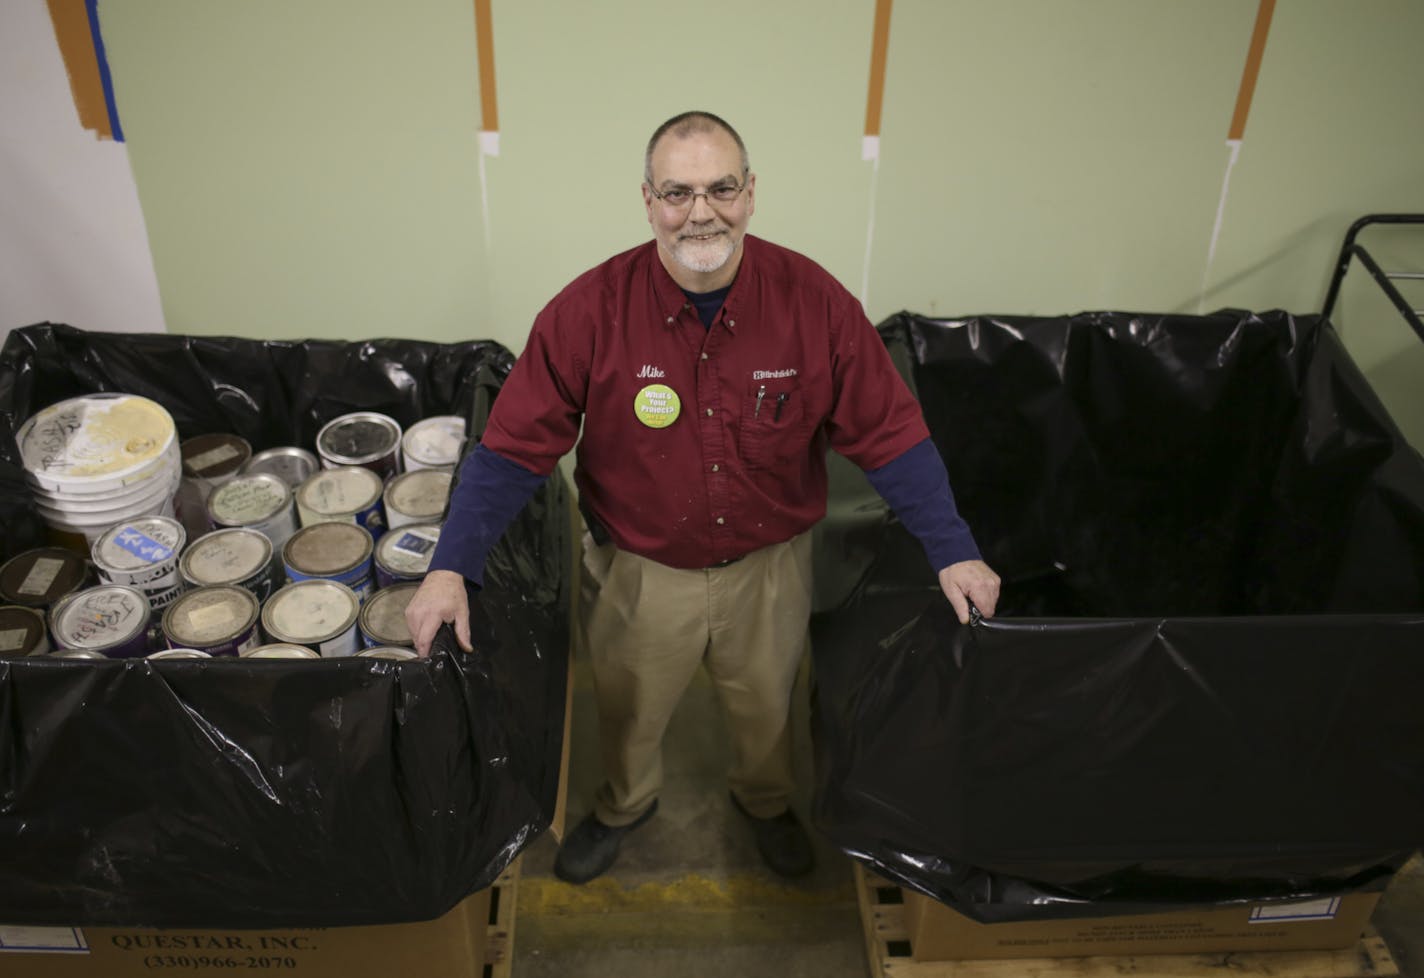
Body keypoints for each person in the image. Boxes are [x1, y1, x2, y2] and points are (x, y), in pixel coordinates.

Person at [405, 110, 1000, 885]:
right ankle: (624, 805)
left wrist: (953, 549)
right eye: (678, 192)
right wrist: (452, 566)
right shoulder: (588, 312)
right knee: (627, 713)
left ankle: (764, 802)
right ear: (648, 201)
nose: (701, 212)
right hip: (638, 574)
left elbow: (891, 435)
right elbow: (512, 449)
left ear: (751, 195)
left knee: (767, 712)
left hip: (771, 568)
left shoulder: (814, 304)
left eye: (721, 188)